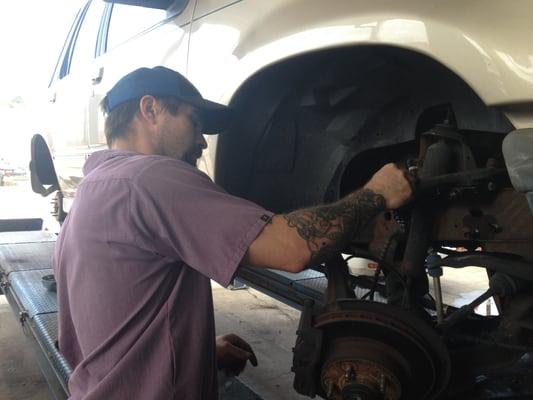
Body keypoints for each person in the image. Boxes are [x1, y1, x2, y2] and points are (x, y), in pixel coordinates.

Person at [53, 66, 413, 400]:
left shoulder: (93, 190)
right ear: (150, 109)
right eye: (194, 123)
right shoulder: (150, 179)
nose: (203, 142)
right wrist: (377, 192)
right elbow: (293, 249)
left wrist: (197, 354)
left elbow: (108, 320)